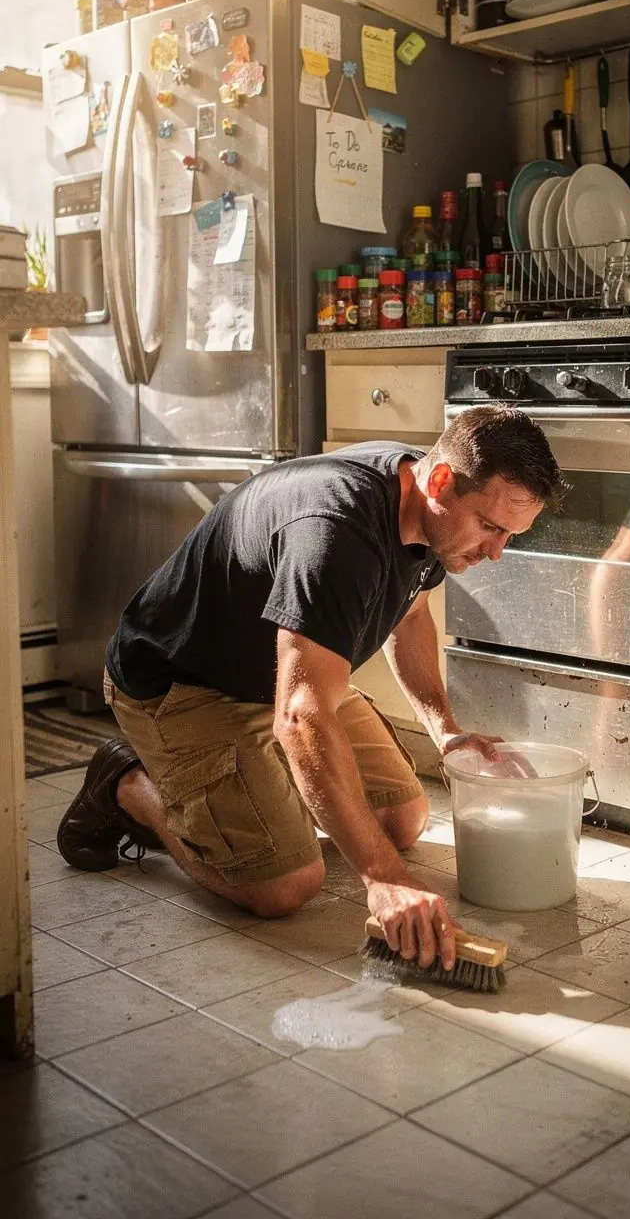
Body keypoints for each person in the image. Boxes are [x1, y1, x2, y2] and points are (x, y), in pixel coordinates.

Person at [57, 405, 564, 970]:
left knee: (401, 820)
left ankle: (263, 776)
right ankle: (127, 783)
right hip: (184, 682)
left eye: (511, 535)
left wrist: (446, 733)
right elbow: (301, 716)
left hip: (285, 676)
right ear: (440, 479)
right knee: (285, 885)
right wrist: (385, 882)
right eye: (491, 527)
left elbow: (411, 613)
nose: (496, 551)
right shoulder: (336, 531)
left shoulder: (430, 509)